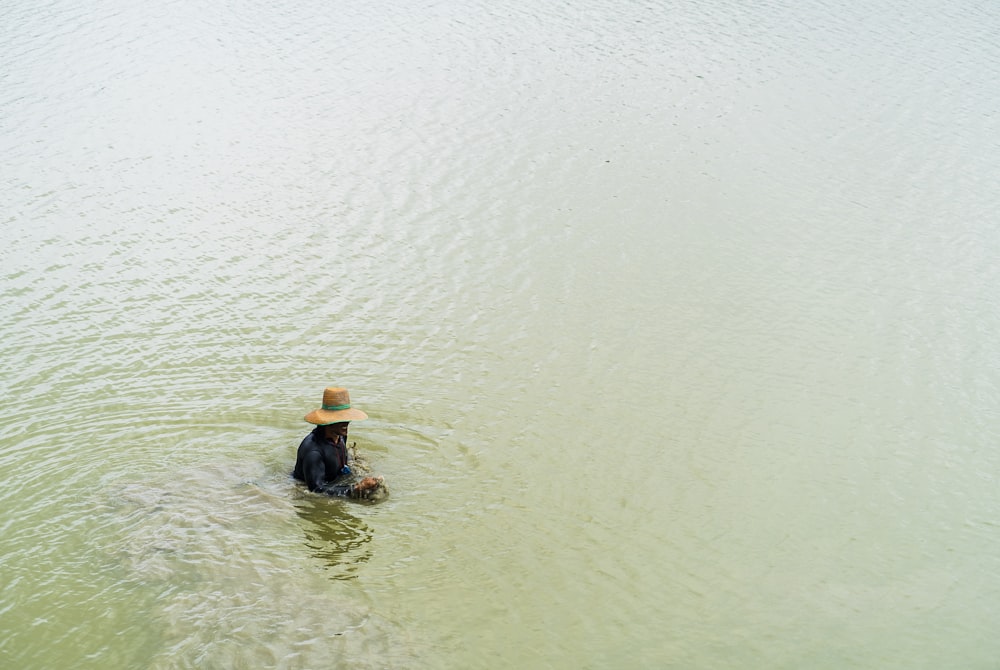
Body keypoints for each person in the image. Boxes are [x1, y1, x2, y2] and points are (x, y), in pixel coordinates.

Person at [293, 387, 383, 498]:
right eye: (340, 419)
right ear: (328, 420)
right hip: (306, 488)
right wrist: (356, 488)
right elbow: (316, 489)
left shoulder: (340, 436)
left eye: (347, 418)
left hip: (336, 480)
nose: (346, 423)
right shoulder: (314, 451)